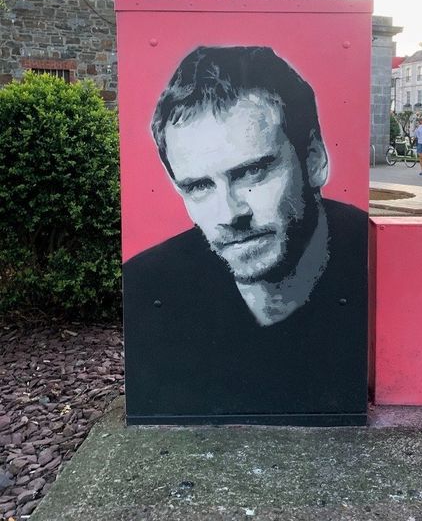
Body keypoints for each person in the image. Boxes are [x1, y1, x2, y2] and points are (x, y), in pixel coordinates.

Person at [123, 46, 367, 424]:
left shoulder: (367, 256)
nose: (230, 213)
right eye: (199, 186)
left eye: (253, 172)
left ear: (314, 160)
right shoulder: (148, 284)